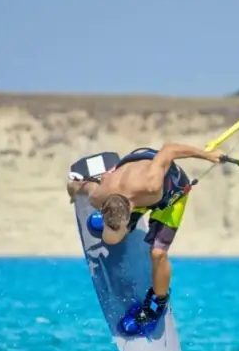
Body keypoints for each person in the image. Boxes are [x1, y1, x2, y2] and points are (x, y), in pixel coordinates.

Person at [66, 143, 224, 335]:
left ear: (131, 211)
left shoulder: (152, 183)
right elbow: (81, 185)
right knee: (112, 238)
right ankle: (113, 227)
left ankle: (158, 302)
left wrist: (207, 155)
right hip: (128, 188)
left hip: (170, 194)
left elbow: (169, 150)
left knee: (158, 254)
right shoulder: (98, 195)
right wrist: (73, 189)